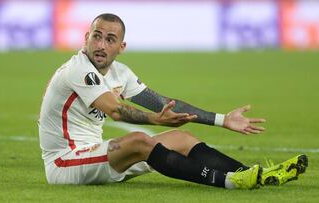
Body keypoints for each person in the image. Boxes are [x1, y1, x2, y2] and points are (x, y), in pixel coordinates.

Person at [38, 13, 308, 189]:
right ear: (86, 38)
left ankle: (255, 175)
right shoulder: (78, 69)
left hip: (98, 155)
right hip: (65, 162)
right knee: (139, 140)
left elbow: (165, 103)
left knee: (182, 139)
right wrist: (154, 120)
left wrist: (222, 120)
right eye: (96, 36)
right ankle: (229, 182)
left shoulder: (121, 73)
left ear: (121, 47)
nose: (100, 45)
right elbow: (117, 111)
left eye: (110, 39)